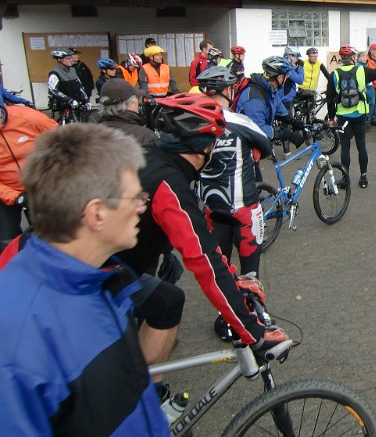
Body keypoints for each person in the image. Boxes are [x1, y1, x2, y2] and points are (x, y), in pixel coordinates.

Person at [0, 123, 170, 435]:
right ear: (97, 214)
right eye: (134, 197)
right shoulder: (18, 339)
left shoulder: (99, 280)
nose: (141, 207)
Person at [117, 93, 287, 353]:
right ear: (202, 148)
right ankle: (136, 388)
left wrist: (234, 279)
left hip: (114, 265)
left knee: (170, 300)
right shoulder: (170, 184)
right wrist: (253, 332)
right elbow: (204, 261)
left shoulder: (151, 155)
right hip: (95, 278)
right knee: (114, 359)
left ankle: (153, 388)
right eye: (214, 144)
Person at [197, 66, 272, 278]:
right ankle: (253, 308)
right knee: (250, 275)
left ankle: (227, 310)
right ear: (227, 91)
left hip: (212, 207)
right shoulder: (239, 121)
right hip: (244, 208)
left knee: (221, 273)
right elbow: (265, 147)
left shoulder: (194, 121)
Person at [327, 45, 376, 189]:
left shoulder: (335, 74)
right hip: (359, 114)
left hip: (343, 116)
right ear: (353, 58)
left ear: (342, 58)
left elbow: (330, 98)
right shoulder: (361, 70)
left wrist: (332, 117)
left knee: (345, 147)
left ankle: (345, 180)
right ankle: (363, 178)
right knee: (361, 146)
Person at [0, 102, 57, 242]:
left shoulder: (26, 116)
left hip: (41, 185)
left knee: (52, 235)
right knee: (7, 241)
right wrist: (16, 197)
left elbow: (62, 138)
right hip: (6, 191)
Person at [236, 56, 304, 150]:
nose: (287, 78)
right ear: (280, 77)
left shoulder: (269, 89)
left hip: (257, 143)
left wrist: (292, 121)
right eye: (287, 75)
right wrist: (284, 134)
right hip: (244, 147)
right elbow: (257, 129)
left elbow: (279, 107)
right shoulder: (254, 98)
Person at [97, 79, 156, 145]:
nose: (137, 101)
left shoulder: (92, 134)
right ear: (129, 103)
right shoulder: (146, 136)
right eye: (136, 97)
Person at [47, 49, 89, 119]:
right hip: (64, 106)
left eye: (71, 57)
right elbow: (53, 90)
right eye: (68, 58)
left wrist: (86, 100)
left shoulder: (73, 70)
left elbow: (80, 87)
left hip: (77, 104)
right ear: (59, 59)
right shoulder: (54, 73)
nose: (71, 60)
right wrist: (69, 100)